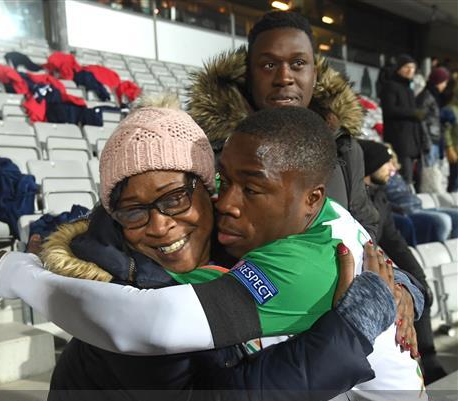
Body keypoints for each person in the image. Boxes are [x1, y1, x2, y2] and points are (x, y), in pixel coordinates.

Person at [0, 106, 456, 401]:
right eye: (134, 210)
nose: (159, 225)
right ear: (114, 216)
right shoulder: (118, 293)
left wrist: (402, 293)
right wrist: (352, 330)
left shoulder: (266, 247)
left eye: (176, 197)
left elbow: (353, 265)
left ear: (202, 186)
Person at [188, 10, 379, 239]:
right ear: (248, 75)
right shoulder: (209, 152)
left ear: (315, 75)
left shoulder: (344, 147)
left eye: (298, 63)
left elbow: (366, 226)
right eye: (268, 65)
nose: (284, 77)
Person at [359, 139, 448, 384]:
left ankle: (429, 361)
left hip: (378, 265)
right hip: (362, 272)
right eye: (385, 163)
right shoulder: (358, 200)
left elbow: (394, 240)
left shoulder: (380, 196)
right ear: (370, 166)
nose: (392, 168)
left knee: (419, 287)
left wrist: (417, 277)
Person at [383, 142, 458, 243]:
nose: (391, 164)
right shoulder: (378, 178)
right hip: (405, 211)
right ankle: (433, 253)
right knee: (443, 221)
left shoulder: (396, 174)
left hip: (417, 207)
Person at [380, 54, 423, 186]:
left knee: (414, 178)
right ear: (398, 68)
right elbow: (389, 109)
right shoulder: (390, 86)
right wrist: (414, 113)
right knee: (404, 177)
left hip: (412, 142)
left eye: (413, 68)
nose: (411, 71)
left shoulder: (409, 89)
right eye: (407, 67)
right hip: (399, 140)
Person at [416, 67, 450, 167]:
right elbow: (420, 118)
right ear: (438, 81)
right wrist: (426, 140)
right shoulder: (427, 96)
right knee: (429, 173)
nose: (445, 85)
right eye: (444, 82)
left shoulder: (435, 95)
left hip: (434, 139)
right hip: (429, 140)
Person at [443, 78, 458, 192]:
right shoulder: (450, 110)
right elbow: (446, 130)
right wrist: (449, 147)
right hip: (455, 150)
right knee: (455, 180)